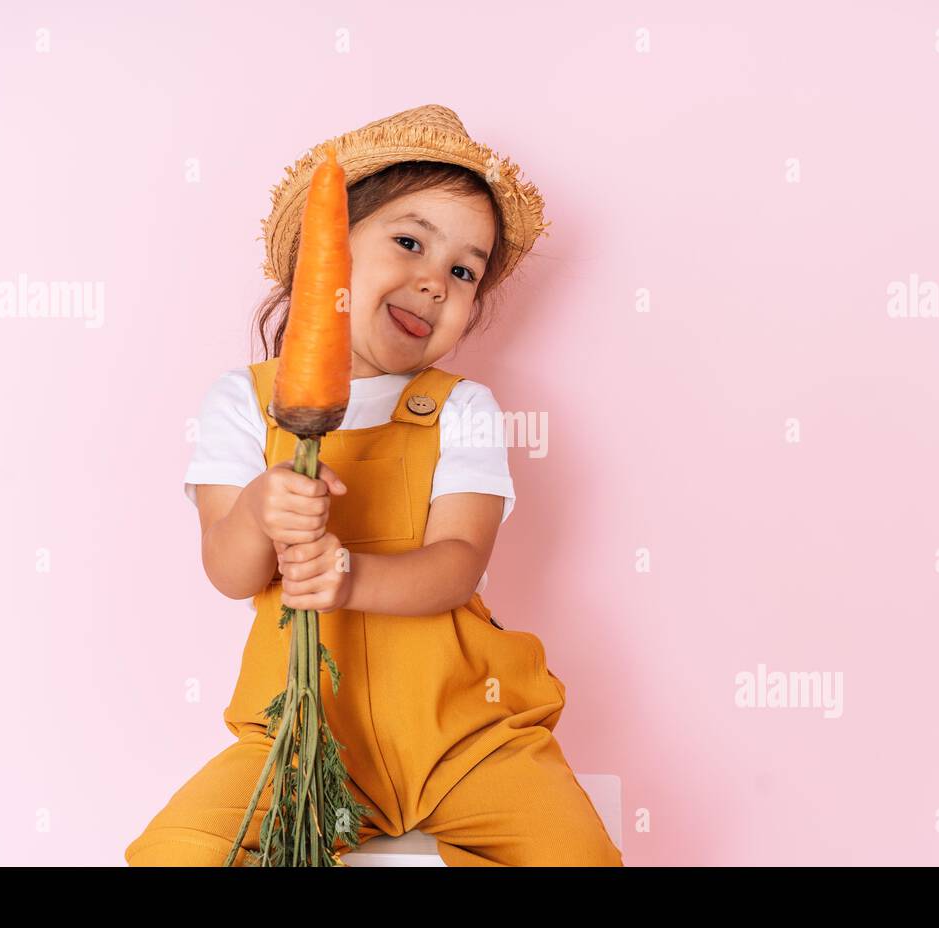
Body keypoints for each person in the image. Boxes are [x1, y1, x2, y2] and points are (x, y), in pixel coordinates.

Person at [124, 104, 622, 867]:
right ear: (326, 252)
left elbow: (457, 564)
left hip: (466, 738)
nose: (433, 282)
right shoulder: (241, 403)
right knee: (174, 853)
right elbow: (229, 572)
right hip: (303, 741)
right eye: (408, 242)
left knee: (578, 858)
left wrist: (348, 574)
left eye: (463, 271)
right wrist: (260, 508)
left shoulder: (462, 411)